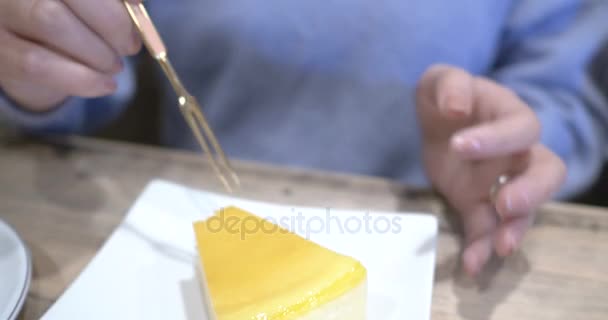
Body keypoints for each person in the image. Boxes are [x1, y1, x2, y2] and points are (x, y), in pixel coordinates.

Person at [1, 0, 607, 276]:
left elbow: (569, 97)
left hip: (429, 235)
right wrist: (38, 68)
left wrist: (504, 153)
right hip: (183, 215)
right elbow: (94, 88)